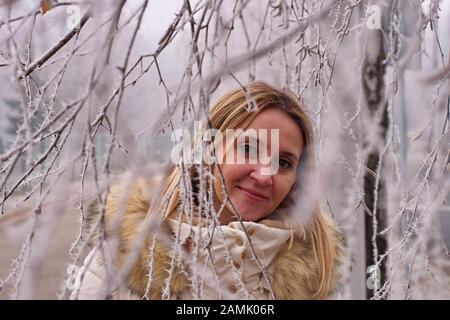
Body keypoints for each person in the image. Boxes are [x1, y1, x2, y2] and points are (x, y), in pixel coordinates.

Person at [70, 81, 344, 300]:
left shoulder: (313, 279)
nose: (264, 176)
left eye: (284, 162)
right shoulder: (125, 257)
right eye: (248, 149)